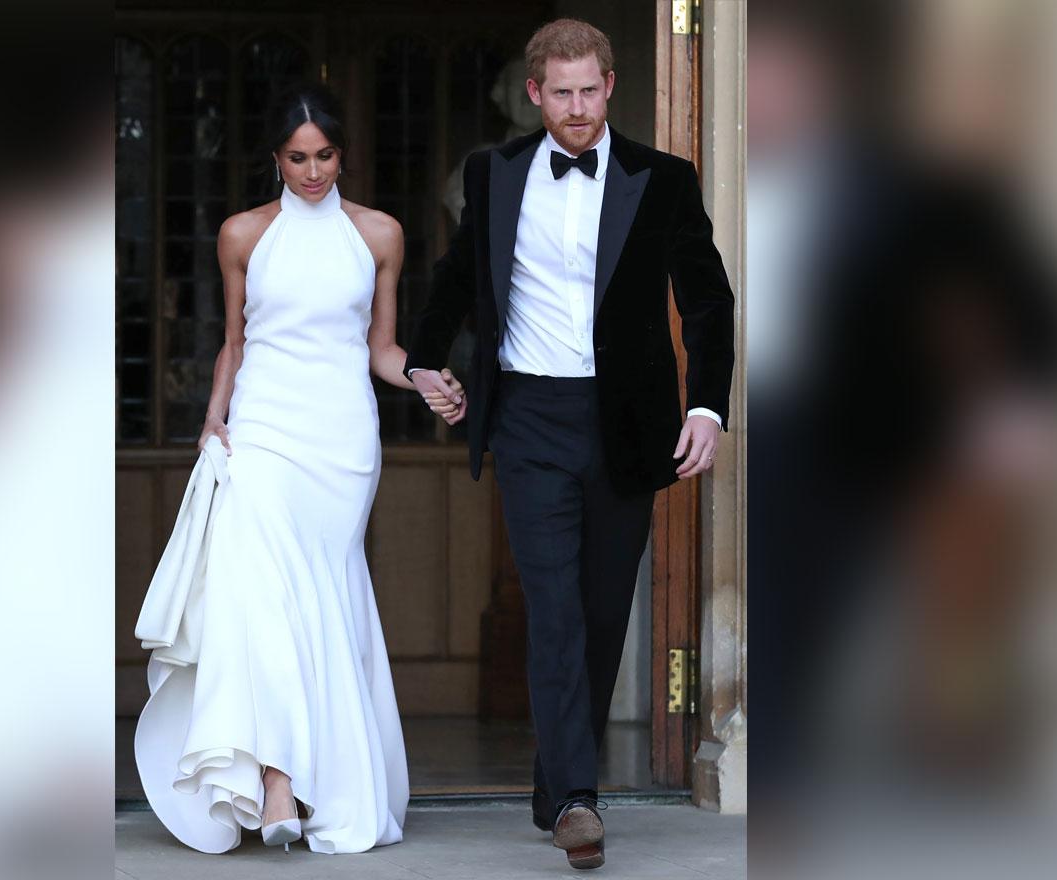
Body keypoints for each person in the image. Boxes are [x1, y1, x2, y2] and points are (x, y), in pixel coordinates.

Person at [404, 19, 735, 870]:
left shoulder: (662, 180)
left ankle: (558, 784)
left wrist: (706, 409)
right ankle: (581, 800)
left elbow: (707, 301)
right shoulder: (495, 172)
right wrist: (421, 361)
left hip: (625, 426)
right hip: (528, 421)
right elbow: (458, 278)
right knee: (551, 609)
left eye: (591, 90)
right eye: (562, 92)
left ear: (612, 86)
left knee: (597, 613)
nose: (578, 108)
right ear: (536, 93)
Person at [133, 84, 462, 856]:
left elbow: (379, 347)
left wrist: (423, 377)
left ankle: (323, 781)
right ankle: (277, 781)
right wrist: (216, 414)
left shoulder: (379, 234)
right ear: (275, 159)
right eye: (296, 158)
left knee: (323, 602)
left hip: (342, 444)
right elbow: (235, 339)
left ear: (341, 155)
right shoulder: (243, 234)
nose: (312, 172)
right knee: (260, 598)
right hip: (264, 431)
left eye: (325, 156)